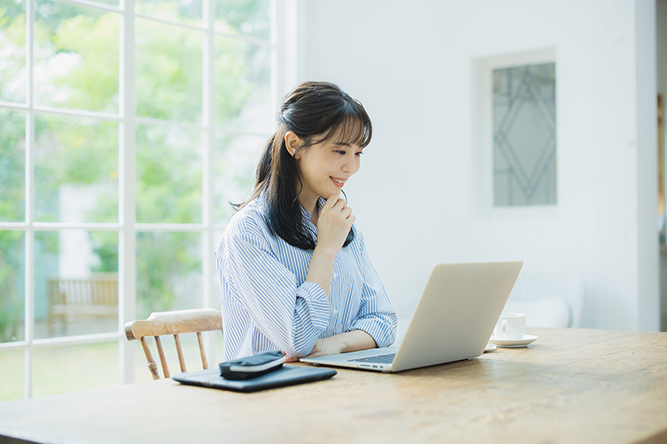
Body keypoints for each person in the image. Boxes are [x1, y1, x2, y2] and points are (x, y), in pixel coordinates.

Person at [215, 81, 397, 362]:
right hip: (269, 396)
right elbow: (298, 340)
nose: (351, 167)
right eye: (340, 151)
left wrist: (334, 345)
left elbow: (383, 322)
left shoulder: (341, 224)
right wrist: (325, 249)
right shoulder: (249, 231)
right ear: (295, 145)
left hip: (338, 384)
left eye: (358, 152)